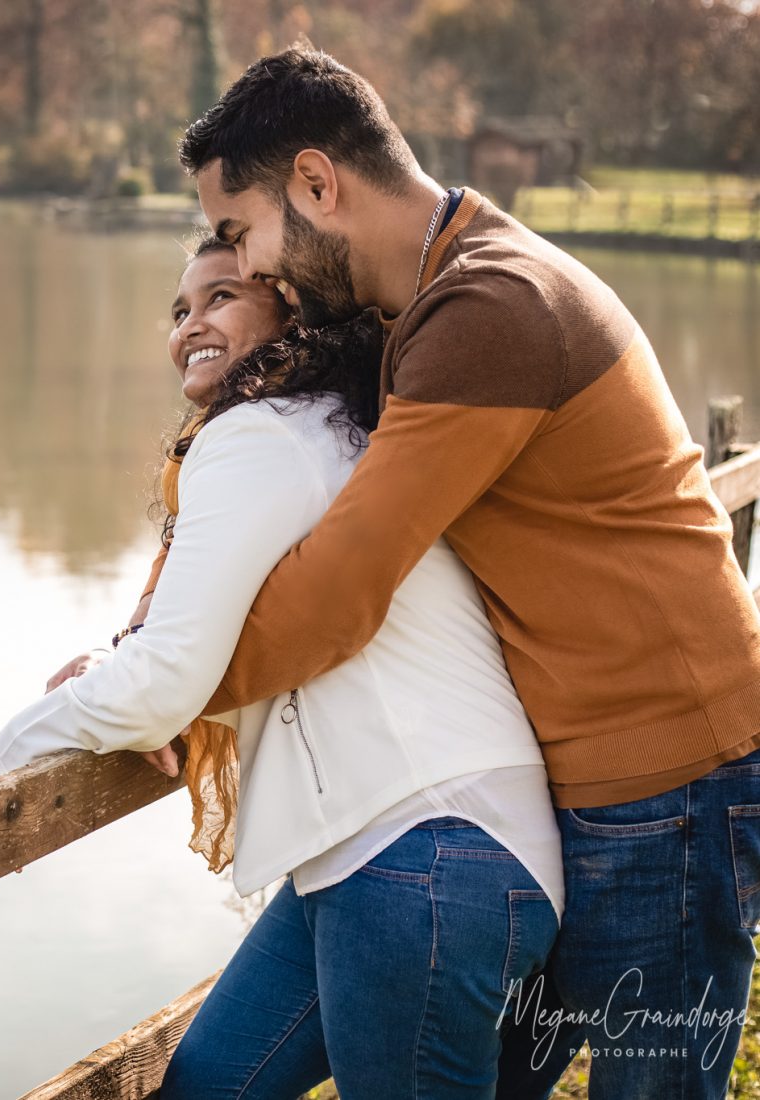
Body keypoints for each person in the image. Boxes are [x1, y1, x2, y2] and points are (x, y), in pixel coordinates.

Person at [148, 45, 760, 1098]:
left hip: (670, 779)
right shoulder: (423, 301)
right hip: (581, 779)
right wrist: (153, 629)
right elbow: (281, 498)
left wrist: (159, 688)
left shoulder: (486, 308)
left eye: (243, 233)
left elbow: (340, 586)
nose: (249, 272)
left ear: (315, 183)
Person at [0, 235, 564, 1098]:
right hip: (405, 859)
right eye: (180, 310)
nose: (191, 326)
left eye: (221, 297)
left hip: (419, 857)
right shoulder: (333, 431)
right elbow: (209, 642)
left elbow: (164, 681)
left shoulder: (260, 436)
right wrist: (129, 670)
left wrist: (12, 748)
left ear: (291, 309)